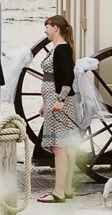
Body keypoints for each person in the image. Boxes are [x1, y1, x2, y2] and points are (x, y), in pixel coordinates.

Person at [32, 16, 80, 203]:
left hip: (58, 102)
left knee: (59, 147)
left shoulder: (61, 49)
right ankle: (66, 189)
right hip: (53, 100)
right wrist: (46, 102)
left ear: (56, 28)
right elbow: (57, 77)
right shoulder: (60, 48)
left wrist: (60, 100)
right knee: (66, 145)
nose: (45, 30)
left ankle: (58, 192)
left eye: (47, 26)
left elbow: (68, 77)